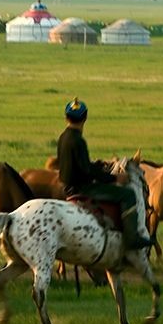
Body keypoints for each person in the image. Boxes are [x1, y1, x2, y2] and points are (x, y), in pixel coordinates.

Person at [56, 98, 151, 250]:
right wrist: (114, 177)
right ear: (85, 118)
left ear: (66, 117)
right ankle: (132, 238)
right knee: (127, 195)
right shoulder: (78, 141)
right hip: (83, 188)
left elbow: (79, 165)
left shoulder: (63, 137)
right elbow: (86, 171)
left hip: (66, 187)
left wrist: (99, 165)